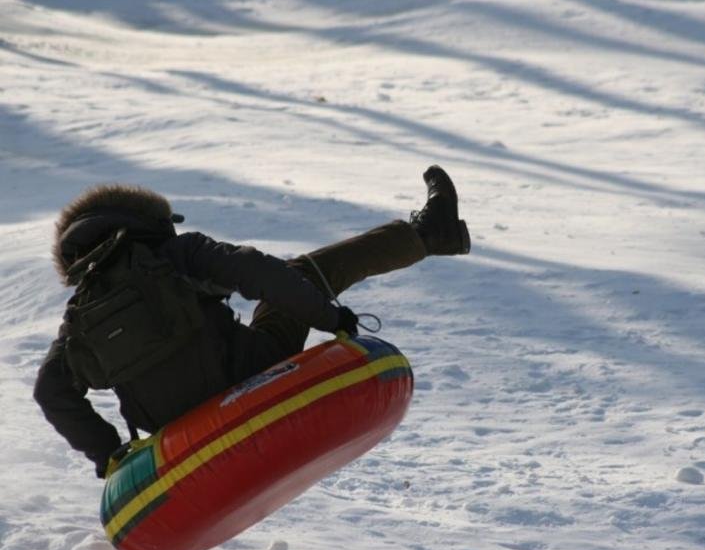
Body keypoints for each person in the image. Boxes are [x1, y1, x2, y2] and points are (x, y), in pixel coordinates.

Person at [33, 165, 470, 478]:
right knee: (300, 273)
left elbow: (50, 391)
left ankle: (433, 232)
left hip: (179, 438)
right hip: (247, 378)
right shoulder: (173, 255)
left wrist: (110, 454)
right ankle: (430, 233)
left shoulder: (79, 319)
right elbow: (258, 272)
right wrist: (329, 315)